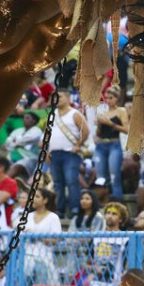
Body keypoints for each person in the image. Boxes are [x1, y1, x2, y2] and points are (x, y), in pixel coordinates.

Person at [86, 203, 131, 286]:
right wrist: (93, 269)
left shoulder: (126, 238)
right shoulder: (97, 236)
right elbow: (88, 261)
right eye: (108, 212)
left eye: (114, 214)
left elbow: (126, 264)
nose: (110, 216)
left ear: (121, 219)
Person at [49, 89, 89, 217]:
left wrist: (77, 145)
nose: (57, 99)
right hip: (54, 154)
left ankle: (75, 209)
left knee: (71, 180)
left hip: (70, 154)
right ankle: (60, 209)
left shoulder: (74, 114)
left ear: (68, 98)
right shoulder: (52, 114)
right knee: (57, 183)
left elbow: (86, 130)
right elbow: (47, 134)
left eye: (60, 96)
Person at [94, 86, 128, 201]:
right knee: (100, 177)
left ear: (117, 98)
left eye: (111, 98)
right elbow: (98, 133)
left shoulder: (121, 111)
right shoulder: (103, 112)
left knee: (114, 175)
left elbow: (126, 129)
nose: (108, 100)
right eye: (107, 98)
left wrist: (110, 123)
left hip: (114, 143)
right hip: (101, 145)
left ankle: (117, 200)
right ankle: (100, 201)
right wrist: (99, 124)